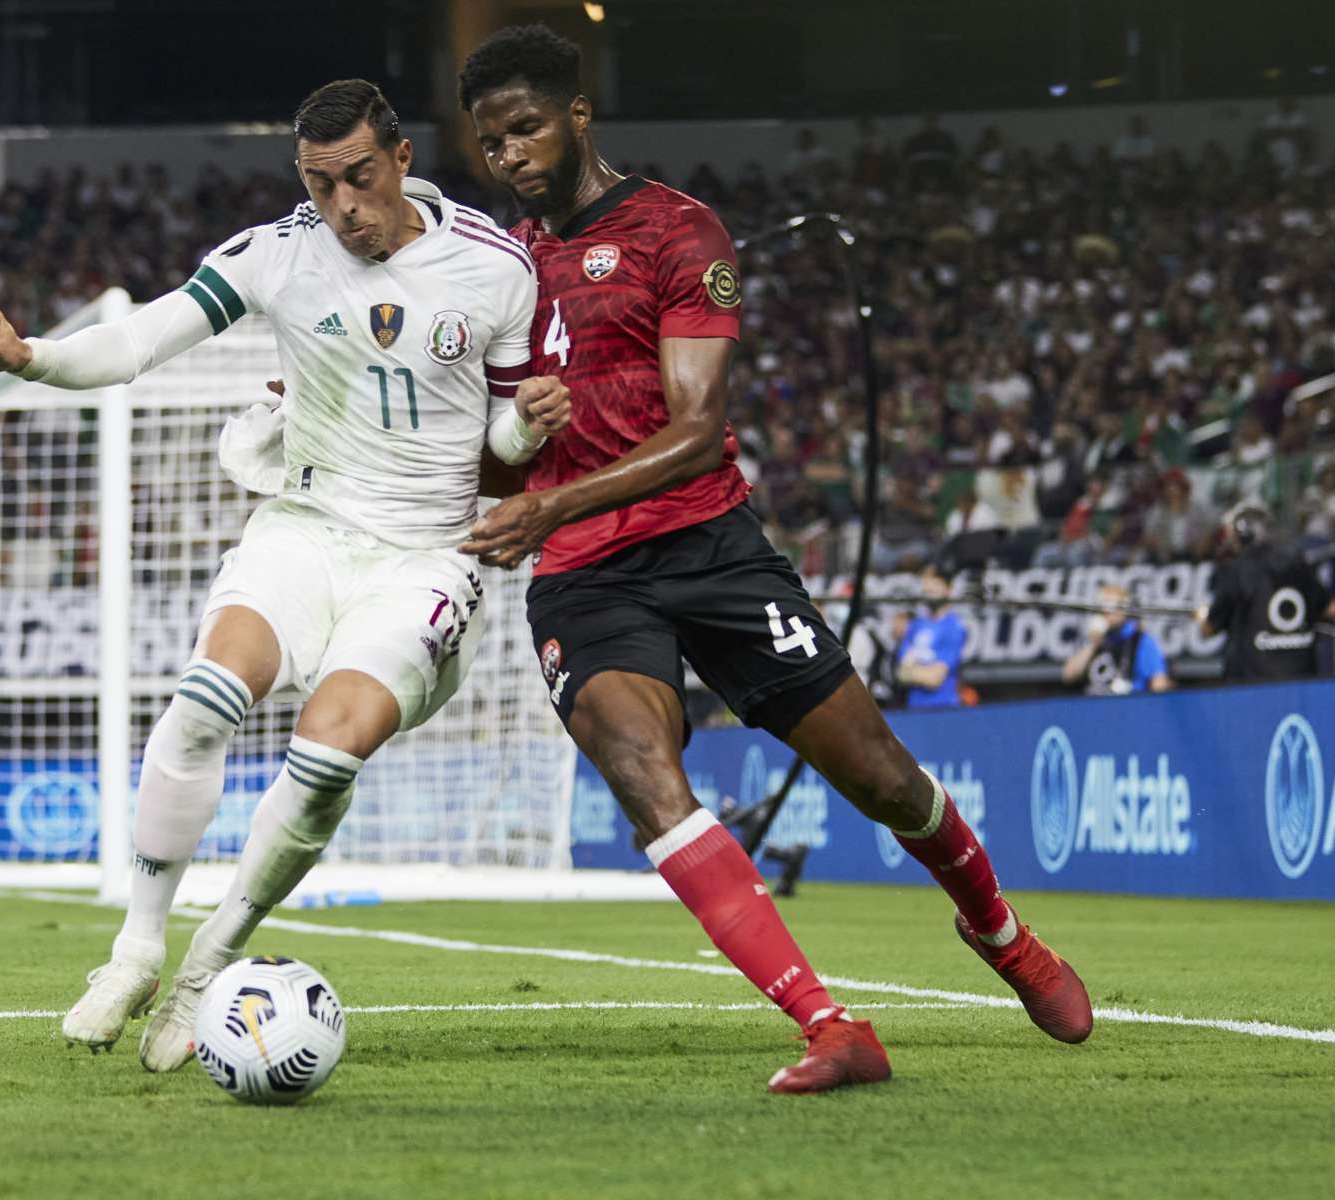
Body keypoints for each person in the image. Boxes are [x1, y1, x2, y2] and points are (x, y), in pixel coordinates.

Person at [459, 25, 1090, 1095]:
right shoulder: (501, 270)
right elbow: (486, 466)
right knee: (646, 778)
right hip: (584, 575)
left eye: (524, 128)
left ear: (576, 115)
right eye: (487, 140)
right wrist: (514, 450)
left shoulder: (676, 230)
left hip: (710, 545)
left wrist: (550, 492)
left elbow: (699, 431)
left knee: (885, 781)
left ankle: (999, 931)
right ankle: (831, 1026)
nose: (508, 154)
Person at [0, 79, 567, 1068]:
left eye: (358, 178)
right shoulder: (279, 252)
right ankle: (137, 948)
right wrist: (33, 356)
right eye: (320, 185)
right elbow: (144, 336)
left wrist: (528, 423)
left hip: (425, 555)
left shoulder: (497, 266)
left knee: (324, 755)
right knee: (204, 697)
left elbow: (505, 445)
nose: (342, 207)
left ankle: (206, 967)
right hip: (305, 527)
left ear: (401, 158)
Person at [1198, 505, 1333, 681]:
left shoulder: (1236, 569)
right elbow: (1329, 609)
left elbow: (1209, 628)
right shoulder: (1298, 563)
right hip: (1301, 679)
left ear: (1242, 536)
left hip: (1253, 681)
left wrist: (1202, 617)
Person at [1062, 585, 1173, 695]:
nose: (1105, 612)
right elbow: (1068, 676)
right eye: (1100, 608)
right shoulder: (1092, 639)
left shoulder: (1140, 640)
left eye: (1111, 607)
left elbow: (1159, 683)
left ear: (1124, 610)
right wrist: (1093, 644)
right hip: (1094, 705)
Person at [896, 568, 967, 708]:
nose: (928, 589)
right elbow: (900, 673)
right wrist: (922, 673)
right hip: (913, 708)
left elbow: (935, 679)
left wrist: (913, 671)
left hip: (942, 709)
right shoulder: (916, 626)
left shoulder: (954, 627)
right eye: (925, 585)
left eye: (934, 584)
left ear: (947, 589)